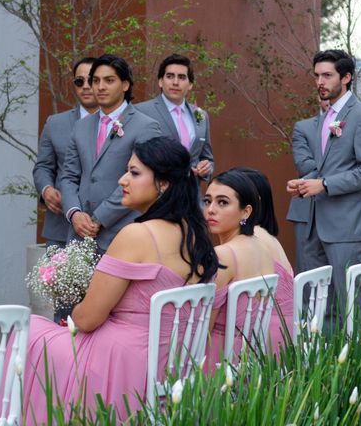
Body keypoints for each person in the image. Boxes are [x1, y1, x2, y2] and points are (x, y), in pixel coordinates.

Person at [21, 137, 220, 421]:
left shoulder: (136, 235)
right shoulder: (197, 234)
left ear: (163, 184)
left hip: (122, 362)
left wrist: (76, 305)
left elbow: (87, 320)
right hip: (172, 362)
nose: (123, 180)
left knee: (27, 329)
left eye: (134, 173)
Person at [286, 50, 361, 330]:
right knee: (314, 301)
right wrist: (305, 184)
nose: (320, 81)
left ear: (347, 77)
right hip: (311, 221)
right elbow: (317, 164)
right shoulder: (322, 119)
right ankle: (323, 365)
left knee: (350, 302)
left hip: (346, 224)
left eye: (327, 75)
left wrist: (323, 184)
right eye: (316, 76)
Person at [61, 54, 161, 253]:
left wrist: (99, 218)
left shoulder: (146, 126)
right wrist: (74, 213)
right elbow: (68, 176)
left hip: (123, 232)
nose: (100, 87)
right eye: (95, 81)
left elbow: (142, 180)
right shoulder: (81, 126)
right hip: (79, 235)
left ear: (125, 85)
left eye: (109, 80)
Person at [204, 170, 294, 370]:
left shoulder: (222, 255)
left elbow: (202, 330)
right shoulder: (259, 245)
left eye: (222, 202)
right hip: (251, 351)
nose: (210, 210)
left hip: (220, 357)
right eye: (207, 201)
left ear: (246, 211)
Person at [33, 57, 98, 250]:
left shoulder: (121, 124)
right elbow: (43, 166)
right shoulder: (55, 123)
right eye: (79, 81)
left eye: (91, 80)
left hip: (108, 226)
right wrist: (46, 189)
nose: (85, 86)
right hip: (61, 227)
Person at [136, 53, 214, 182]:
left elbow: (207, 158)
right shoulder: (141, 111)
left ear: (190, 85)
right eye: (170, 76)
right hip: (157, 195)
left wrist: (206, 168)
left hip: (191, 195)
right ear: (160, 81)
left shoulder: (201, 116)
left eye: (182, 77)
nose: (175, 82)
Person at [286, 99, 330, 273]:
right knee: (308, 275)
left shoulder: (357, 127)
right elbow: (304, 165)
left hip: (345, 213)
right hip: (308, 208)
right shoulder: (303, 128)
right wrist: (344, 169)